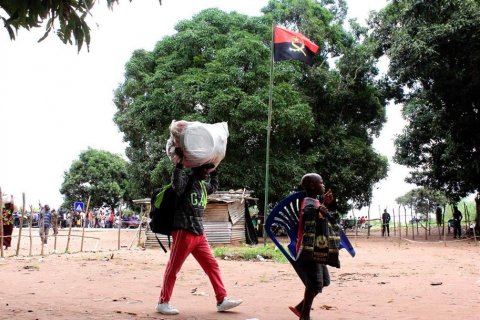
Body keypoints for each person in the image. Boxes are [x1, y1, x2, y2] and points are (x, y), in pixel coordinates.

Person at [156, 162, 242, 315]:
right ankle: (163, 302)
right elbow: (176, 184)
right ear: (195, 169)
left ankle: (222, 300)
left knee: (212, 265)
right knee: (173, 269)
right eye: (204, 169)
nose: (206, 173)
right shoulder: (186, 182)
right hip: (184, 232)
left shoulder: (203, 185)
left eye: (208, 170)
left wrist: (215, 171)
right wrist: (179, 165)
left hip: (199, 234)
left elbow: (213, 187)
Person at [289, 173, 334, 320]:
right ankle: (305, 315)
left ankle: (300, 308)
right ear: (313, 186)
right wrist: (320, 209)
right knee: (314, 284)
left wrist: (325, 205)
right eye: (321, 183)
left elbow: (319, 218)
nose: (323, 185)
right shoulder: (308, 203)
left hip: (317, 248)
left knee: (324, 282)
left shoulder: (315, 202)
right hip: (308, 250)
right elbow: (309, 215)